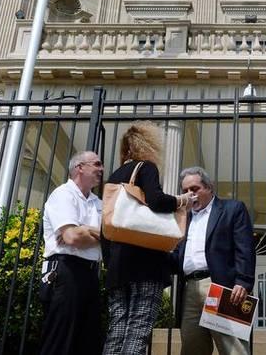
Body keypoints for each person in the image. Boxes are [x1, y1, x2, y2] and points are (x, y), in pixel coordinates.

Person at [101, 121, 196, 355]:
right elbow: (156, 201)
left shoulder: (114, 177)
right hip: (146, 264)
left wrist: (109, 262)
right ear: (148, 145)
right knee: (138, 329)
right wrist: (182, 200)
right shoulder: (146, 167)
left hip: (117, 267)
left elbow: (106, 224)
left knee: (117, 330)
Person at [171, 166, 256, 355]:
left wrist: (243, 281)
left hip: (221, 286)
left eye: (194, 189)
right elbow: (176, 256)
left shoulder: (232, 209)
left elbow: (245, 248)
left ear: (209, 187)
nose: (189, 194)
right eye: (185, 190)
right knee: (192, 348)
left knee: (233, 349)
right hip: (189, 289)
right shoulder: (184, 218)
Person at [40, 150, 104, 355]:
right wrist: (100, 234)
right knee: (60, 342)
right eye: (97, 164)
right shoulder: (63, 194)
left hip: (91, 273)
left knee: (87, 344)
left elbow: (113, 236)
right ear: (79, 167)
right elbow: (72, 238)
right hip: (65, 270)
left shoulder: (98, 202)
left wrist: (86, 230)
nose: (101, 169)